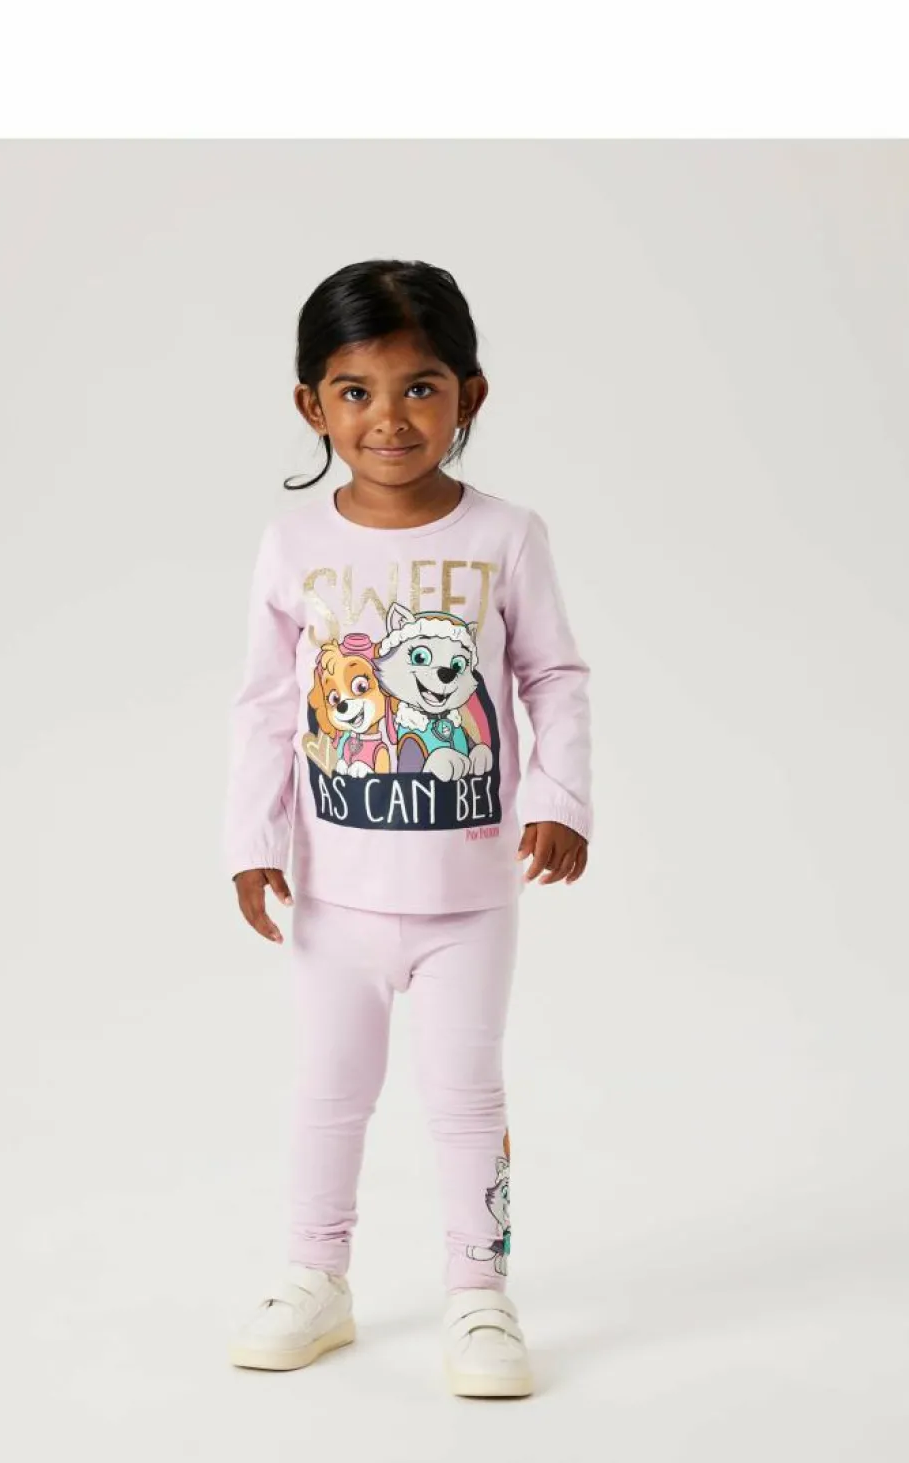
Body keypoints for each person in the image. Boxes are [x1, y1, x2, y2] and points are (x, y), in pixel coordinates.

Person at [222, 259, 593, 1398]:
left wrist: (559, 799)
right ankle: (314, 1277)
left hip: (468, 896)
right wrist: (251, 840)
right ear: (312, 404)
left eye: (419, 388)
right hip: (332, 893)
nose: (388, 418)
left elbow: (552, 675)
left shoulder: (506, 536)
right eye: (356, 391)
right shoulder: (293, 547)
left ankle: (478, 1293)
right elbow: (267, 704)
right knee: (327, 1093)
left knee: (466, 1099)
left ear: (469, 394)